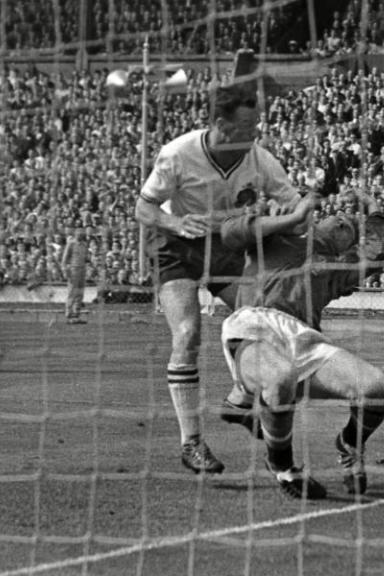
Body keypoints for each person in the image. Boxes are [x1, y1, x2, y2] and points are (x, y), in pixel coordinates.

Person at [135, 83, 301, 475]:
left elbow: (293, 200)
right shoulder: (178, 153)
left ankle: (241, 400)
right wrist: (175, 221)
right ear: (219, 125)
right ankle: (191, 443)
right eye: (246, 127)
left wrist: (292, 206)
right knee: (188, 333)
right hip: (176, 249)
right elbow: (144, 207)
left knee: (264, 324)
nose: (254, 134)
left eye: (256, 125)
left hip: (224, 247)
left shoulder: (260, 159)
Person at [217, 191, 384, 499]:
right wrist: (293, 217)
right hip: (253, 324)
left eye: (349, 228)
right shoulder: (280, 237)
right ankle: (283, 467)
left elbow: (378, 254)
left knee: (377, 390)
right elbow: (231, 231)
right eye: (337, 219)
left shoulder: (340, 270)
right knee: (280, 378)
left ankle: (349, 443)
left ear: (348, 246)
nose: (342, 221)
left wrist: (375, 212)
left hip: (305, 338)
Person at [61, 226, 89, 324]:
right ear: (75, 233)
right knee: (72, 291)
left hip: (82, 269)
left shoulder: (84, 245)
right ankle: (69, 313)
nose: (81, 234)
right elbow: (64, 259)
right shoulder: (71, 244)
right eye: (79, 232)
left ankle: (77, 313)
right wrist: (65, 270)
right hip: (74, 269)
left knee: (80, 292)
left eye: (82, 233)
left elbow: (86, 258)